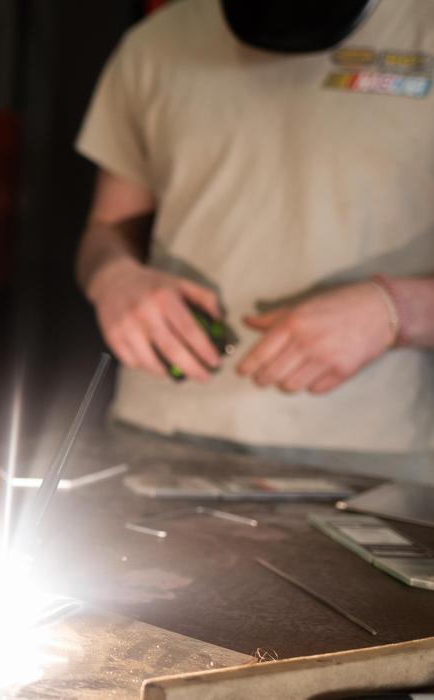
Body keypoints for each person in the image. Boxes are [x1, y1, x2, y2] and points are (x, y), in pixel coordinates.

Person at [74, 0, 434, 481]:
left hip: (374, 458)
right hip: (159, 436)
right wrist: (114, 277)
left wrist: (397, 310)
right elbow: (106, 228)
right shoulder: (157, 43)